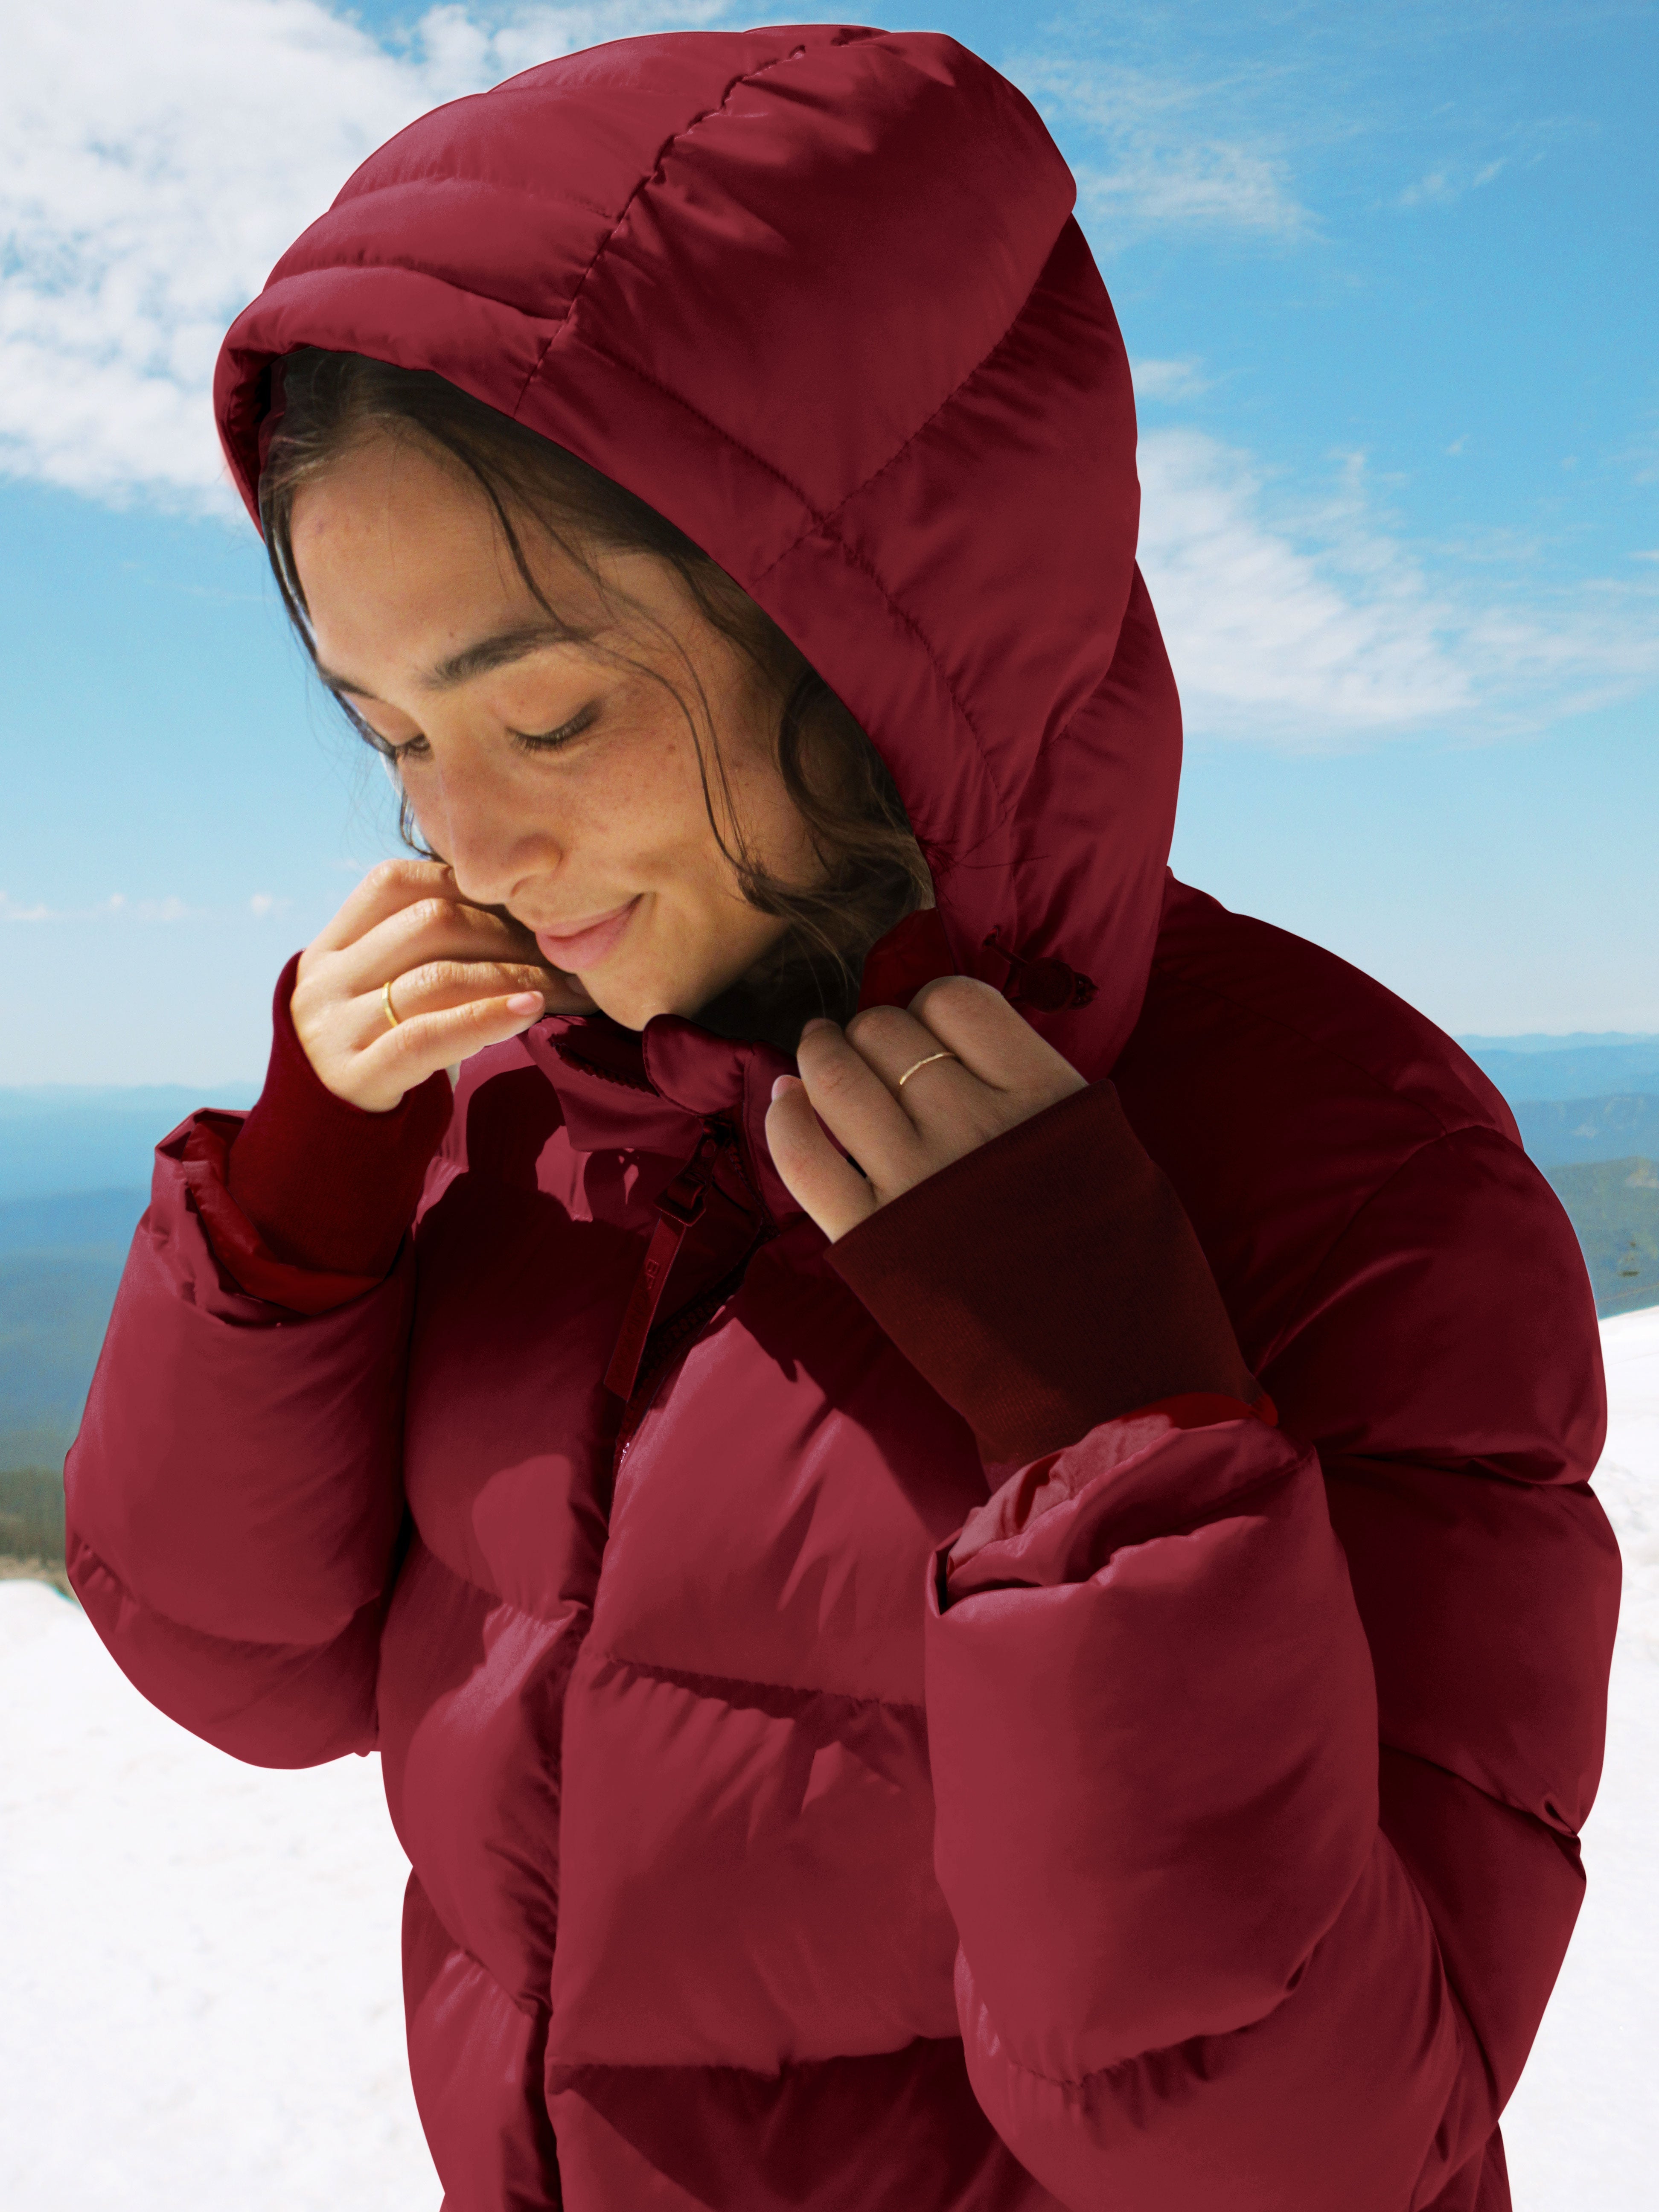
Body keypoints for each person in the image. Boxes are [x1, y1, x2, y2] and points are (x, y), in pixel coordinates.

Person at [65, 24, 1618, 2212]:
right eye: (392, 734)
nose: (469, 843)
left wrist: (1127, 1453)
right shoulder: (531, 1107)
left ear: (876, 642)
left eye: (553, 711)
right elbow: (249, 1668)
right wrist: (303, 1208)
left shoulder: (1359, 1193)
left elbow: (1340, 2167)